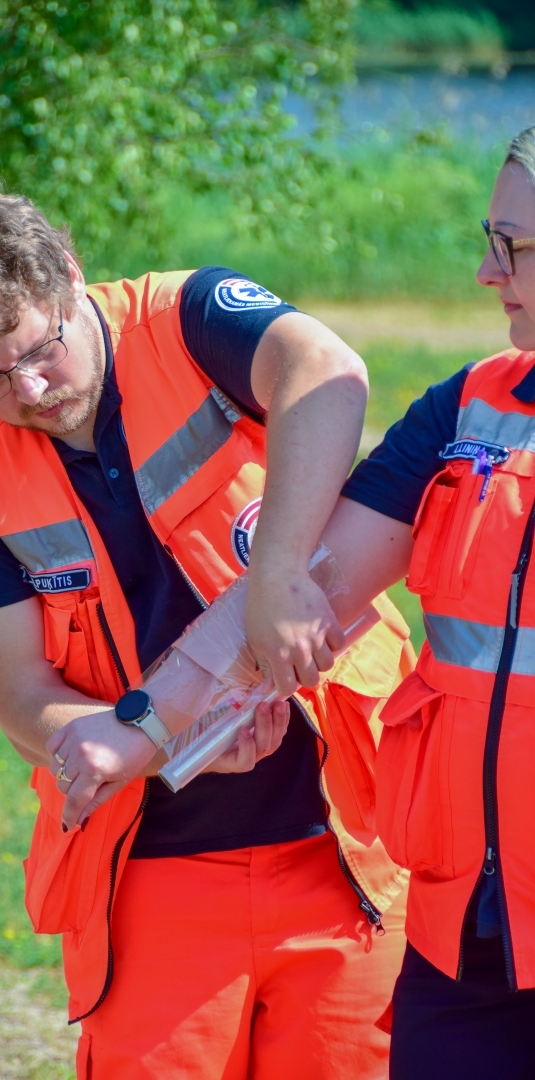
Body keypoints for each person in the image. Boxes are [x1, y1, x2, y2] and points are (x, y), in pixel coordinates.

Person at [0, 179, 413, 1079]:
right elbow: (22, 696)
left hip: (348, 845)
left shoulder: (189, 317)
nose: (28, 389)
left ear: (70, 277)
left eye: (39, 350)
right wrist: (124, 741)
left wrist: (279, 573)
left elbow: (327, 374)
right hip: (156, 871)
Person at [299, 125, 535, 1079]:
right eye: (491, 237)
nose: (487, 271)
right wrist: (156, 718)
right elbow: (316, 590)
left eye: (514, 244)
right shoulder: (471, 405)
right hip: (465, 930)